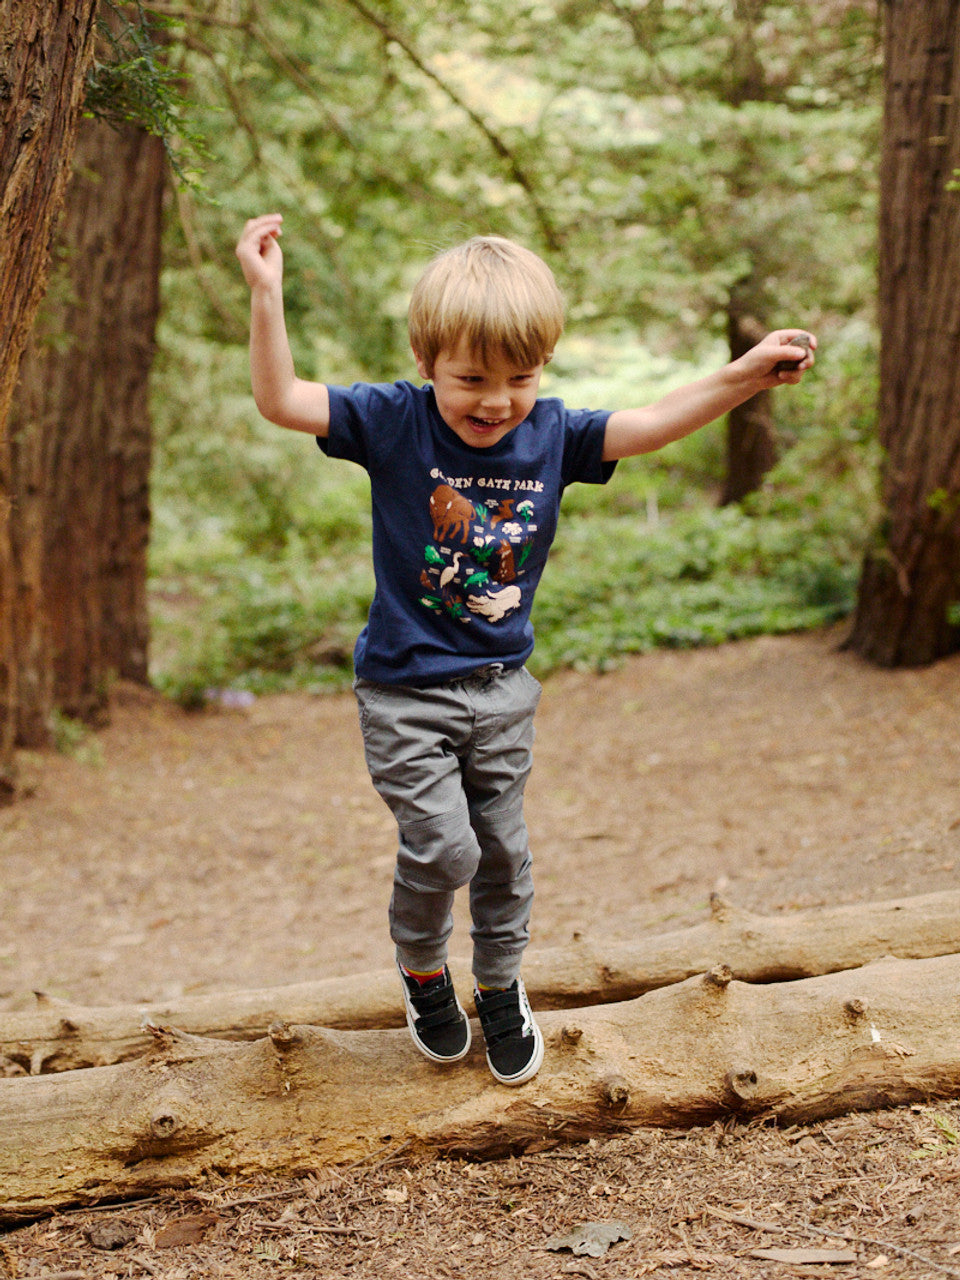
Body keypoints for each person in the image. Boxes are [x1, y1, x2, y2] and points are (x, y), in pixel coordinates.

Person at [235, 213, 816, 1086]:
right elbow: (282, 402)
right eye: (471, 378)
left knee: (503, 852)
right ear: (426, 361)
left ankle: (500, 986)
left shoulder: (551, 434)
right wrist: (267, 295)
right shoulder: (393, 422)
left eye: (521, 376)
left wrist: (742, 377)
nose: (496, 400)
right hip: (405, 693)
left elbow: (655, 422)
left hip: (504, 692)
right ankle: (424, 969)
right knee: (447, 848)